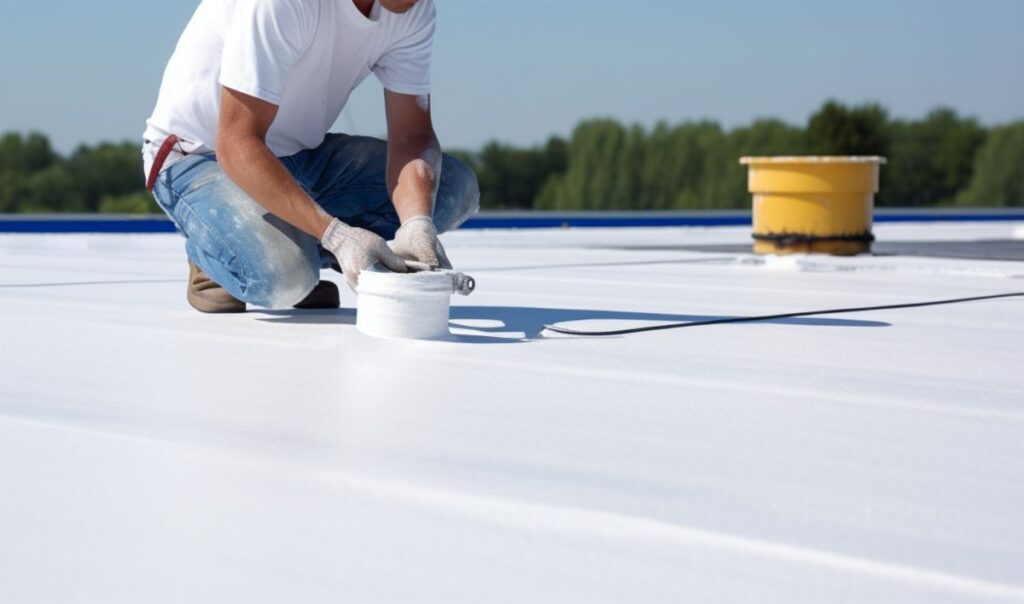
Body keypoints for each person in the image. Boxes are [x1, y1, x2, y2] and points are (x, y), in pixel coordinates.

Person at [142, 0, 479, 313]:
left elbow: (413, 136)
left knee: (451, 189)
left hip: (299, 155)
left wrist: (416, 224)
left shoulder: (411, 8)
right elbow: (236, 141)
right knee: (284, 279)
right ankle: (216, 253)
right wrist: (336, 236)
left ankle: (300, 249)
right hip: (200, 156)